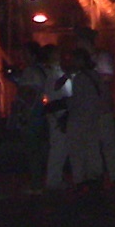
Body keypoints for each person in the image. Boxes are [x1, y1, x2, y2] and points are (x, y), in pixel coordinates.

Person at [76, 26, 115, 188]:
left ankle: (113, 175)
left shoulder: (100, 57)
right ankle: (99, 174)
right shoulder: (83, 61)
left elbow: (107, 78)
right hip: (91, 108)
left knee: (105, 142)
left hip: (100, 107)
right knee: (94, 143)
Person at [59, 47, 103, 191]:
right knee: (92, 148)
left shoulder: (80, 78)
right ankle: (94, 175)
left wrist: (64, 104)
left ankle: (80, 178)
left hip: (79, 118)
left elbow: (77, 100)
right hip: (92, 118)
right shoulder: (95, 76)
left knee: (77, 150)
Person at [10, 41, 48, 195]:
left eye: (24, 53)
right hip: (38, 113)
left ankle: (36, 184)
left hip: (31, 114)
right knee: (36, 149)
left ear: (32, 55)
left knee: (32, 149)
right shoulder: (40, 70)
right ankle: (37, 181)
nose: (21, 56)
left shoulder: (31, 72)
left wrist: (22, 113)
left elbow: (29, 94)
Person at [41, 44, 71, 191]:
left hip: (61, 111)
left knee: (61, 148)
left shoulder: (57, 71)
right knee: (58, 147)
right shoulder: (52, 73)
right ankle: (53, 180)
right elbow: (55, 89)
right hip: (57, 112)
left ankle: (56, 178)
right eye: (56, 53)